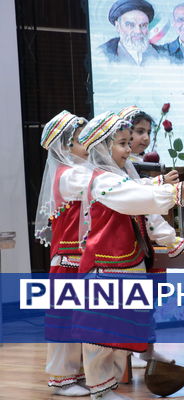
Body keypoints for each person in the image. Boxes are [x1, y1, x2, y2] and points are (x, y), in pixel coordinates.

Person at [76, 112, 184, 400]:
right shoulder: (100, 180)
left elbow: (145, 208)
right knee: (103, 332)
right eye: (121, 143)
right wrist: (174, 191)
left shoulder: (121, 176)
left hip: (127, 263)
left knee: (125, 327)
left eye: (129, 142)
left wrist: (173, 240)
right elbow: (134, 199)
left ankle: (111, 383)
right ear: (103, 148)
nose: (129, 149)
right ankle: (100, 389)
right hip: (105, 265)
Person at [35, 111, 91, 397]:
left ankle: (75, 375)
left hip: (79, 257)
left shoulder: (79, 171)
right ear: (65, 146)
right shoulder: (69, 175)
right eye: (82, 139)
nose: (89, 143)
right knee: (64, 319)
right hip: (68, 258)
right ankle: (61, 379)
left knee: (77, 319)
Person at [99, 0, 160, 65]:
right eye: (130, 25)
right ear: (118, 26)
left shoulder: (158, 53)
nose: (138, 31)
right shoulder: (102, 54)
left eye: (143, 25)